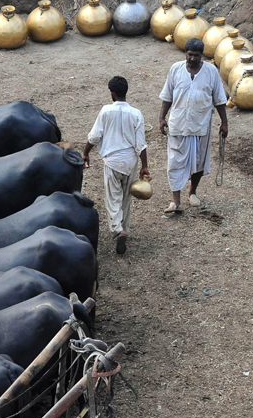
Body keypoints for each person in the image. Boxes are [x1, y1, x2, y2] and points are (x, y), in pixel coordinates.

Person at [159, 38, 229, 214]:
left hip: (200, 126)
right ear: (186, 54)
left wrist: (224, 123)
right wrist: (162, 118)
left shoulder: (211, 72)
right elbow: (167, 96)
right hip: (178, 125)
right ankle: (175, 201)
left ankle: (193, 192)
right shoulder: (175, 69)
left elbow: (220, 100)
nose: (192, 58)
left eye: (196, 56)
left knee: (198, 162)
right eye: (189, 54)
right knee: (174, 163)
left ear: (201, 56)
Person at [83, 76, 150, 255]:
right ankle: (125, 227)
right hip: (130, 161)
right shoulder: (136, 113)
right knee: (126, 199)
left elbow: (95, 136)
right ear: (126, 92)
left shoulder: (105, 111)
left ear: (112, 93)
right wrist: (145, 166)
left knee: (113, 198)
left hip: (112, 161)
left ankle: (118, 229)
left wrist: (85, 152)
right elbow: (141, 144)